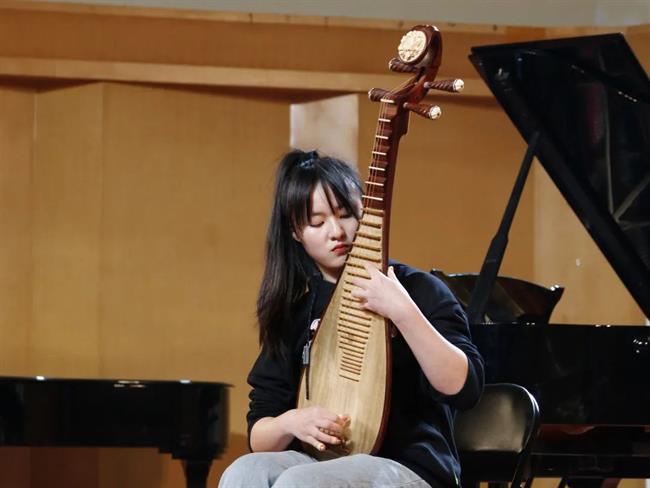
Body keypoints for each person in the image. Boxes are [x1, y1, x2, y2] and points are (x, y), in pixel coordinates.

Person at [219, 149, 484, 488]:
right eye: (317, 223)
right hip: (320, 462)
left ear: (365, 211)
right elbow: (259, 433)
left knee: (300, 483)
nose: (337, 232)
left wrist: (403, 312)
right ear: (295, 232)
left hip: (410, 468)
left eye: (345, 214)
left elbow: (465, 388)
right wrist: (291, 422)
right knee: (244, 472)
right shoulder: (295, 313)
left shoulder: (417, 289)